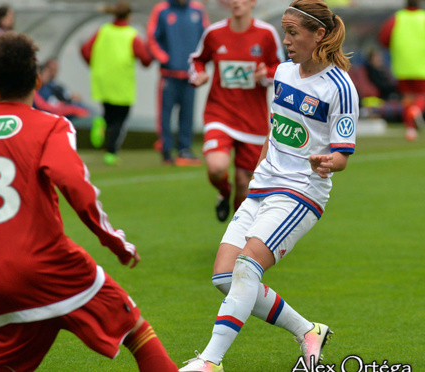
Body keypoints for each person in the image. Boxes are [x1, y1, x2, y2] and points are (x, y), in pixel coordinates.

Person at [0, 31, 179, 372]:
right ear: (37, 80)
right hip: (55, 268)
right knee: (135, 332)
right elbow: (74, 185)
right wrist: (113, 240)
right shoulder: (51, 126)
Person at [179, 0, 358, 370]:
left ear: (318, 35)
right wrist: (261, 168)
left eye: (293, 32)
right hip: (264, 185)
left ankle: (210, 361)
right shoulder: (284, 73)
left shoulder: (340, 86)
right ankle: (309, 330)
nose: (286, 39)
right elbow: (274, 130)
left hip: (301, 193)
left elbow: (341, 155)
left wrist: (328, 162)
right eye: (284, 30)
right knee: (224, 277)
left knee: (247, 267)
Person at [189, 0, 284, 222]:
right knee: (216, 167)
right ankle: (223, 191)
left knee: (244, 182)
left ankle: (237, 232)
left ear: (253, 2)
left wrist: (266, 74)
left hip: (253, 120)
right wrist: (198, 76)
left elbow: (281, 69)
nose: (236, 2)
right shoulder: (213, 32)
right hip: (219, 114)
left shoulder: (267, 33)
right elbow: (198, 60)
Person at [81, 1, 153, 165]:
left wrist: (94, 65)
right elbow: (145, 59)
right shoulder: (131, 34)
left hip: (103, 80)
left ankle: (102, 121)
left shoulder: (103, 31)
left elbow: (85, 50)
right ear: (129, 15)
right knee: (121, 119)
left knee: (109, 112)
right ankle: (111, 152)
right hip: (122, 82)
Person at [147, 0, 210, 166]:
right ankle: (166, 150)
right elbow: (152, 37)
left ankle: (184, 150)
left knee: (187, 115)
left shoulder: (198, 10)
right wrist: (165, 59)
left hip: (190, 76)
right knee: (165, 115)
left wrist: (201, 63)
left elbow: (207, 38)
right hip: (168, 75)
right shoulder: (161, 10)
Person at [378, 0, 425, 141]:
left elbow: (383, 38)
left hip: (402, 65)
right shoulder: (423, 18)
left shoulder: (396, 18)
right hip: (422, 64)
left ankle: (410, 130)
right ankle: (416, 110)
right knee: (421, 95)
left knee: (407, 98)